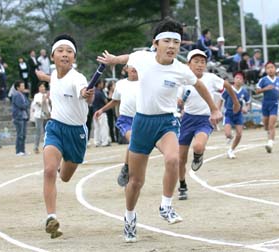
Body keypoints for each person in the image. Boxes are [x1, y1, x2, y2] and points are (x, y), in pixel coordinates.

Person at [97, 17, 222, 243]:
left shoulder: (181, 70)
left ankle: (166, 205)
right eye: (167, 41)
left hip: (166, 122)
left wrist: (213, 109)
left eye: (176, 42)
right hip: (142, 123)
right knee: (136, 181)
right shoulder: (143, 59)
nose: (172, 46)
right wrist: (113, 60)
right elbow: (127, 58)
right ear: (156, 43)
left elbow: (200, 85)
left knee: (174, 159)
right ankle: (130, 217)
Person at [42, 34, 94, 239]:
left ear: (74, 57)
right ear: (53, 56)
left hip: (76, 133)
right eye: (61, 51)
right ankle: (51, 217)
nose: (65, 54)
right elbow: (52, 79)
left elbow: (83, 91)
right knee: (48, 171)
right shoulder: (54, 75)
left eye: (69, 51)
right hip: (55, 128)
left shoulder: (78, 78)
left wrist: (85, 94)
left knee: (64, 176)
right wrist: (41, 76)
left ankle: (62, 165)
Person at [177, 49, 240, 200]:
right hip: (187, 120)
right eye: (196, 62)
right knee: (180, 159)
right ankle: (182, 184)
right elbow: (178, 100)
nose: (199, 65)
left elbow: (227, 86)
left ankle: (198, 156)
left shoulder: (211, 78)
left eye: (203, 62)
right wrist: (179, 102)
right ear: (188, 64)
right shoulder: (183, 81)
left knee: (198, 146)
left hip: (204, 119)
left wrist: (235, 102)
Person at [94, 65, 139, 187]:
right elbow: (114, 101)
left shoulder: (145, 82)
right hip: (125, 120)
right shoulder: (121, 84)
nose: (134, 68)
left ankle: (131, 168)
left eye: (137, 65)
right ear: (126, 69)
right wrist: (102, 110)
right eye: (132, 66)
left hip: (142, 120)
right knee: (133, 140)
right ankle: (126, 168)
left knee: (138, 148)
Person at [255, 61, 279, 153]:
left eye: (272, 67)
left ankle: (270, 143)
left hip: (275, 103)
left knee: (271, 125)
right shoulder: (263, 80)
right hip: (265, 104)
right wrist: (265, 88)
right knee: (266, 126)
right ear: (266, 70)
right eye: (268, 68)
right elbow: (256, 91)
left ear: (275, 69)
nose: (270, 69)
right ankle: (270, 136)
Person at [218, 71, 250, 159]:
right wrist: (218, 110)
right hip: (228, 114)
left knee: (239, 134)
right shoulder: (229, 89)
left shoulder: (244, 92)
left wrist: (246, 109)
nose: (238, 80)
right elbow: (221, 99)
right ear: (234, 79)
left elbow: (248, 103)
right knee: (228, 134)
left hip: (238, 114)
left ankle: (231, 150)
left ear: (243, 81)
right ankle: (229, 137)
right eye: (237, 78)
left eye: (240, 78)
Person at [11, 80, 30, 156]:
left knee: (24, 135)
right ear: (18, 87)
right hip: (19, 117)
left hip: (24, 117)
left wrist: (25, 104)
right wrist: (25, 104)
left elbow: (28, 103)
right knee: (20, 135)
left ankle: (22, 150)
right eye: (22, 86)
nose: (23, 87)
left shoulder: (23, 95)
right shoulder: (16, 95)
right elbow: (21, 105)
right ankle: (18, 151)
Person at [32, 82, 51, 154]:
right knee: (38, 131)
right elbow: (39, 104)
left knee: (47, 131)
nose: (43, 88)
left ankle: (47, 146)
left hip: (47, 115)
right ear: (39, 88)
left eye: (44, 87)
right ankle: (36, 147)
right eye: (41, 87)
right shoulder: (37, 95)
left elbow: (49, 105)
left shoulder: (46, 95)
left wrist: (48, 99)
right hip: (39, 115)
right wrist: (45, 98)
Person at [92, 79, 110, 147]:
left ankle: (97, 142)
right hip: (102, 112)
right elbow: (106, 101)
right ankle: (104, 141)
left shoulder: (93, 92)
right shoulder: (100, 92)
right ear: (99, 84)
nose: (103, 84)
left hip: (94, 111)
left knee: (97, 128)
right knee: (104, 127)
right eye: (102, 83)